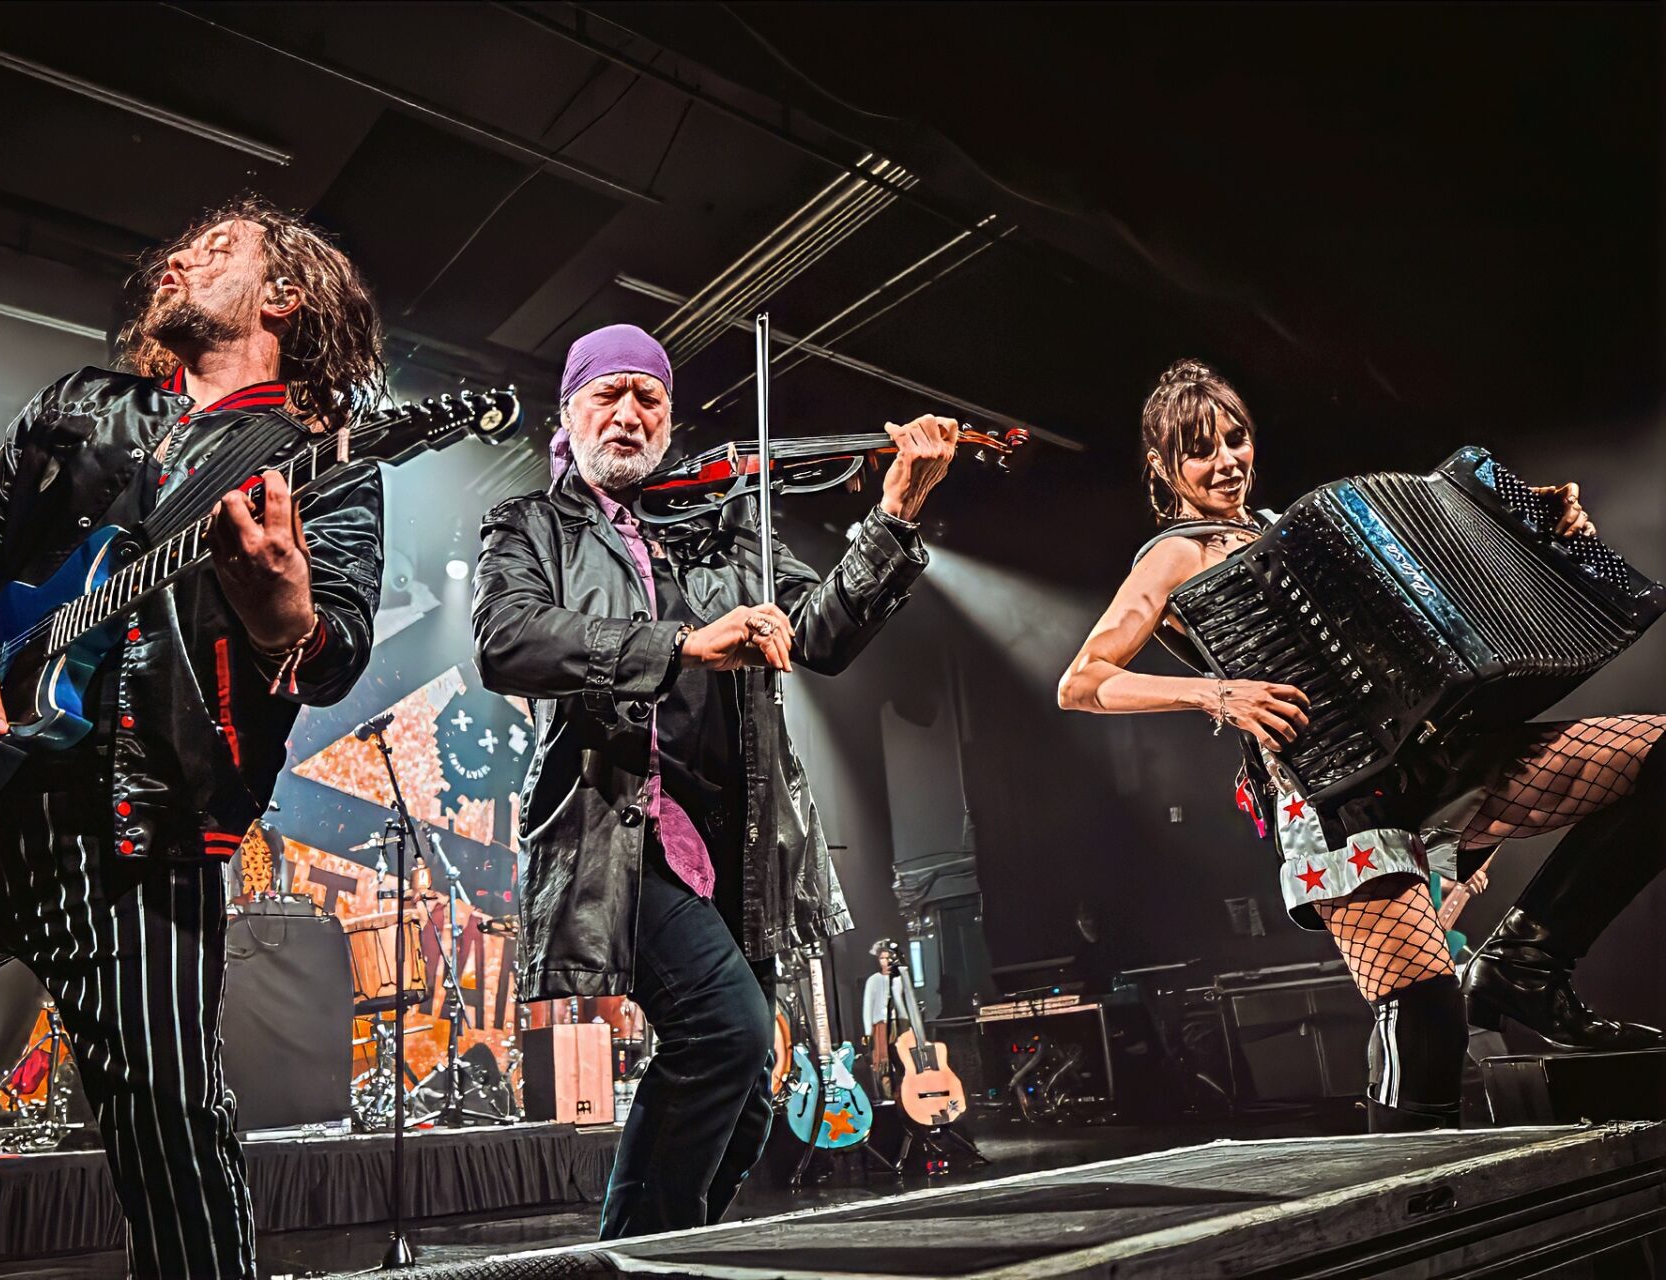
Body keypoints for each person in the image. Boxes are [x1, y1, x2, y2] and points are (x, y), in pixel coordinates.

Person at [0, 199, 387, 1278]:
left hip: (138, 827)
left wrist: (288, 617)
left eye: (216, 249)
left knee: (170, 1140)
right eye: (181, 247)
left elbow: (334, 650)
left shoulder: (321, 461)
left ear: (285, 296)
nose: (176, 259)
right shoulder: (84, 406)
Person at [1057, 358, 1664, 1131]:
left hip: (1437, 763)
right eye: (1201, 451)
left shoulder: (1284, 528)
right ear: (1161, 466)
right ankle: (1408, 1196)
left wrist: (1530, 526)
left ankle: (1526, 965)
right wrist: (1217, 694)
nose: (1228, 462)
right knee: (1428, 1018)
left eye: (1236, 439)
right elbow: (1083, 680)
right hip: (1337, 800)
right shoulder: (1175, 553)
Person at [472, 324, 957, 1236]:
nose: (628, 414)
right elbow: (509, 640)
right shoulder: (531, 526)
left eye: (648, 398)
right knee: (725, 1033)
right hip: (624, 834)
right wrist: (682, 645)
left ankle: (651, 1246)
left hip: (738, 841)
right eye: (608, 395)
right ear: (569, 414)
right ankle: (641, 1258)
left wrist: (892, 517)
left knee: (750, 1098)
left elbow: (820, 635)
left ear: (669, 419)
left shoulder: (723, 525)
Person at [861, 940, 913, 1100]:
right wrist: (868, 1032)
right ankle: (888, 1094)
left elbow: (907, 999)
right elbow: (867, 1005)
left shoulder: (900, 978)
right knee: (884, 1059)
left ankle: (906, 1091)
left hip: (900, 1021)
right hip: (881, 1024)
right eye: (882, 958)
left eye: (888, 957)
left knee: (903, 1056)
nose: (886, 961)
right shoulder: (873, 980)